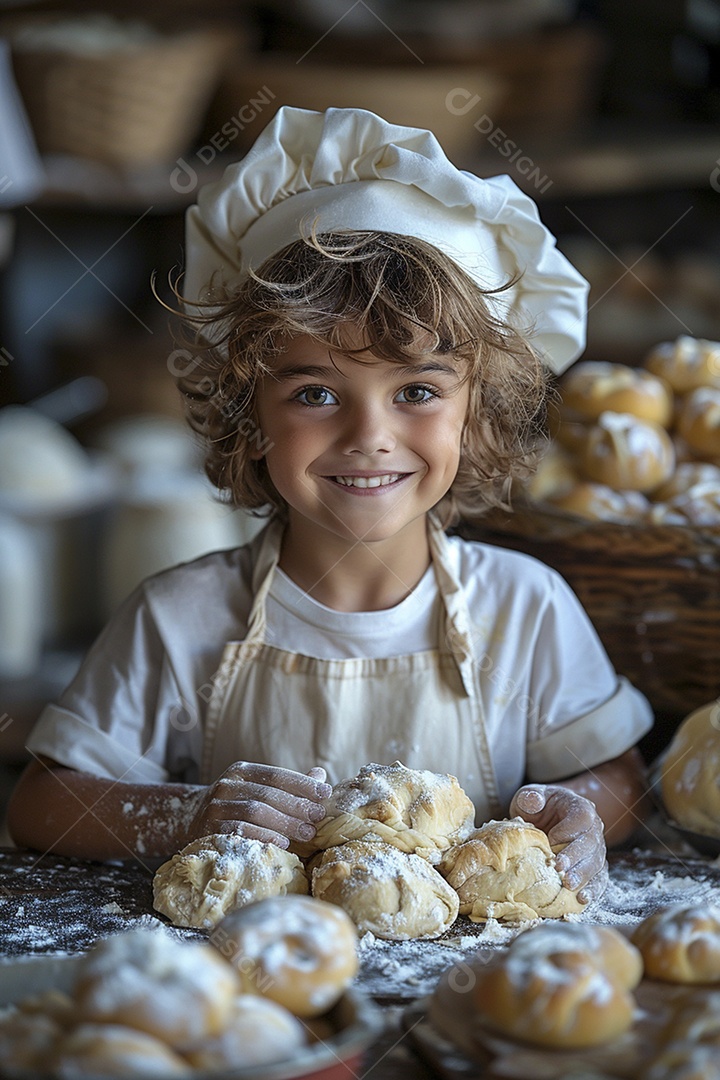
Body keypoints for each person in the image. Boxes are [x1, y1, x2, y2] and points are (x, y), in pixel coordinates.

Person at [8, 107, 653, 903]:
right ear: (248, 414)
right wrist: (184, 814)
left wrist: (581, 811)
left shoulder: (525, 610)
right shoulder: (181, 617)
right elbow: (41, 803)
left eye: (417, 390)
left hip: (459, 1001)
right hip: (260, 1000)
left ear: (479, 413)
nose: (369, 436)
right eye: (315, 392)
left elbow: (615, 775)